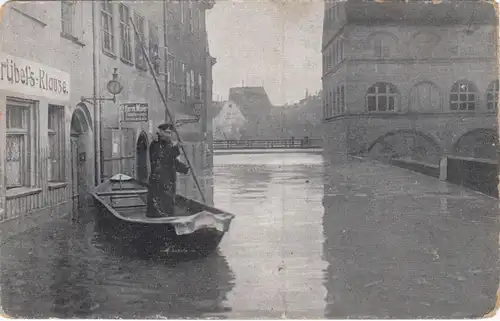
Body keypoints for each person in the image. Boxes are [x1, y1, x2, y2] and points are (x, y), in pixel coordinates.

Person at [146, 123, 190, 218]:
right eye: (166, 132)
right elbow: (164, 158)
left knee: (169, 205)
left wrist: (184, 168)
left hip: (169, 181)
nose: (168, 135)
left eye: (170, 133)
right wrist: (176, 149)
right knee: (158, 207)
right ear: (160, 132)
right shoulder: (155, 144)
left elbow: (172, 161)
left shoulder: (168, 143)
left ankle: (169, 222)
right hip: (159, 181)